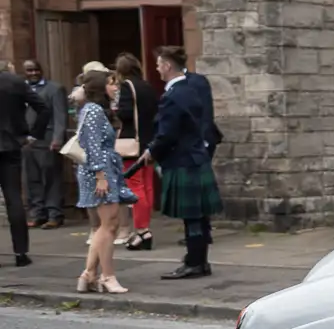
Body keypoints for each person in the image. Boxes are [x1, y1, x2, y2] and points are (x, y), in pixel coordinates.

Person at [140, 45, 223, 280]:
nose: (157, 69)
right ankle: (199, 261)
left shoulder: (173, 96)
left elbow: (167, 133)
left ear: (167, 65)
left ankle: (195, 263)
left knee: (192, 218)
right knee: (199, 216)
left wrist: (152, 151)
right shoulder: (191, 88)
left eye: (158, 65)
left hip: (184, 160)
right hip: (196, 157)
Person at [71, 69, 134, 294]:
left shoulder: (91, 110)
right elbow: (94, 147)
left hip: (103, 170)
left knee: (107, 225)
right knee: (109, 225)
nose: (115, 87)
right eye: (111, 84)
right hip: (100, 172)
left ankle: (89, 274)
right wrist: (101, 176)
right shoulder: (94, 111)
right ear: (100, 87)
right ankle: (106, 276)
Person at [0, 57, 44, 267]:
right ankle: (20, 253)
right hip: (11, 145)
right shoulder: (15, 82)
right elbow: (42, 108)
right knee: (14, 198)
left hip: (9, 144)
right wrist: (33, 135)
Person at [113, 53, 158, 250]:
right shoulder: (147, 86)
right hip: (149, 142)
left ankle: (142, 231)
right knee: (147, 187)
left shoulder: (126, 86)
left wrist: (114, 108)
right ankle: (145, 228)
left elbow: (125, 114)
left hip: (132, 143)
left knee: (136, 187)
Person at [21, 59, 64, 229]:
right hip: (26, 142)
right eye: (29, 70)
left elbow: (60, 115)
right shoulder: (20, 89)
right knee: (31, 179)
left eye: (35, 70)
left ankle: (54, 214)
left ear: (41, 70)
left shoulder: (54, 89)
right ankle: (37, 214)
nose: (33, 73)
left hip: (47, 139)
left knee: (51, 178)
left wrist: (58, 138)